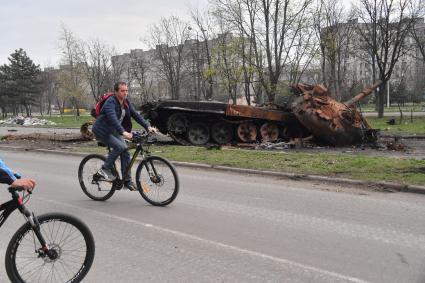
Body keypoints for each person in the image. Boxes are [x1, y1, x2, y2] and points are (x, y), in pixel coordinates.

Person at [92, 81, 157, 190]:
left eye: (126, 91)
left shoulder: (125, 102)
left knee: (125, 151)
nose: (125, 93)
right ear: (116, 92)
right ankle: (104, 170)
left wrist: (148, 127)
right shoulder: (110, 102)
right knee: (120, 147)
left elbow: (136, 115)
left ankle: (127, 181)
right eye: (122, 91)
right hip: (102, 130)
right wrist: (124, 132)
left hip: (114, 131)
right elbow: (113, 119)